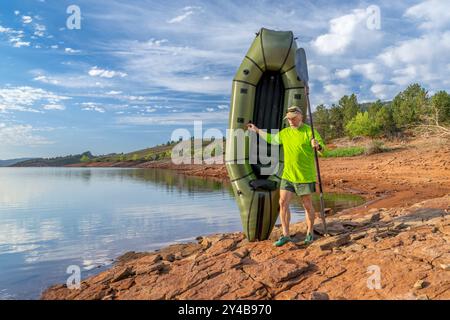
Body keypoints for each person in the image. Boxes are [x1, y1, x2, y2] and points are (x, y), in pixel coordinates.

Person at [247, 106, 324, 247]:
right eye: (288, 118)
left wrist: (317, 145)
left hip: (304, 176)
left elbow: (322, 150)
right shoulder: (285, 133)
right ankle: (286, 235)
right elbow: (271, 139)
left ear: (300, 116)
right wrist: (257, 130)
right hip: (288, 175)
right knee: (282, 203)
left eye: (293, 118)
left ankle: (310, 233)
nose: (291, 121)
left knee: (307, 205)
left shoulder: (309, 131)